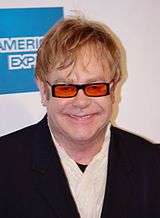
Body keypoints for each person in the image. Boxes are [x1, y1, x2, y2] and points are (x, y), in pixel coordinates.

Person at [0, 16, 160, 218]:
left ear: (113, 89)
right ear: (43, 90)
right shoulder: (5, 164)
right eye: (66, 88)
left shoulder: (151, 165)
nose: (81, 102)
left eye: (95, 87)